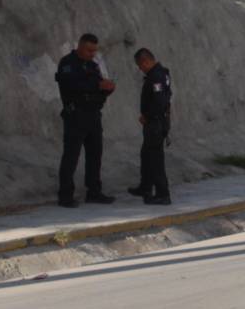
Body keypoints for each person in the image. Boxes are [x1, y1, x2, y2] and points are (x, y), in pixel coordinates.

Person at [55, 34, 116, 207]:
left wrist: (107, 89)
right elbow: (71, 87)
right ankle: (65, 196)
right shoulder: (67, 63)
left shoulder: (92, 66)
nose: (92, 54)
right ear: (80, 46)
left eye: (94, 51)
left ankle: (94, 192)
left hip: (93, 115)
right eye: (89, 50)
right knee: (71, 157)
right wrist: (97, 86)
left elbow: (98, 87)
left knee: (95, 155)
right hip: (76, 116)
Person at [129, 48, 173, 205]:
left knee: (155, 158)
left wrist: (147, 116)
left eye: (140, 66)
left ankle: (163, 194)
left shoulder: (156, 76)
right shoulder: (162, 72)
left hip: (155, 123)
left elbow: (160, 102)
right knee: (146, 155)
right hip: (156, 122)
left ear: (145, 61)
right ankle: (145, 187)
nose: (141, 69)